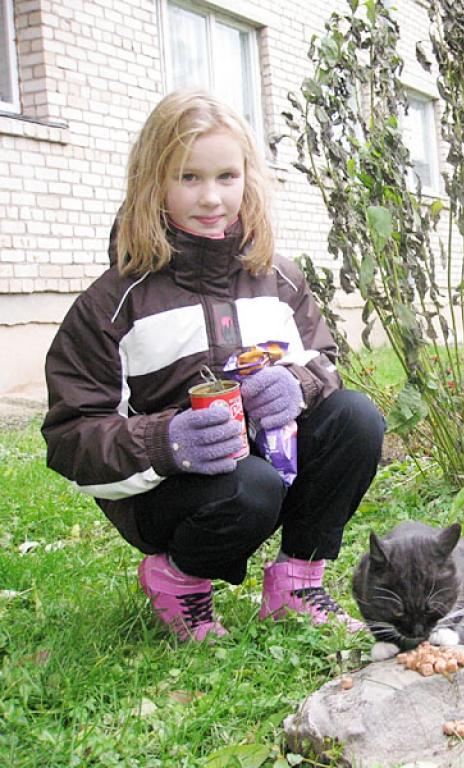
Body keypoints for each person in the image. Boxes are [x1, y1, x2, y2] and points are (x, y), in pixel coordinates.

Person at [41, 89, 385, 643]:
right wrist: (165, 442)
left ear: (249, 178)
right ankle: (177, 580)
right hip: (173, 491)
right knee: (249, 486)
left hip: (266, 461)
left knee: (357, 418)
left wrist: (297, 386)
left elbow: (323, 361)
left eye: (226, 176)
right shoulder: (114, 303)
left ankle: (297, 583)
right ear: (153, 182)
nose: (211, 198)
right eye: (188, 178)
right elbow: (70, 436)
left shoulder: (279, 278)